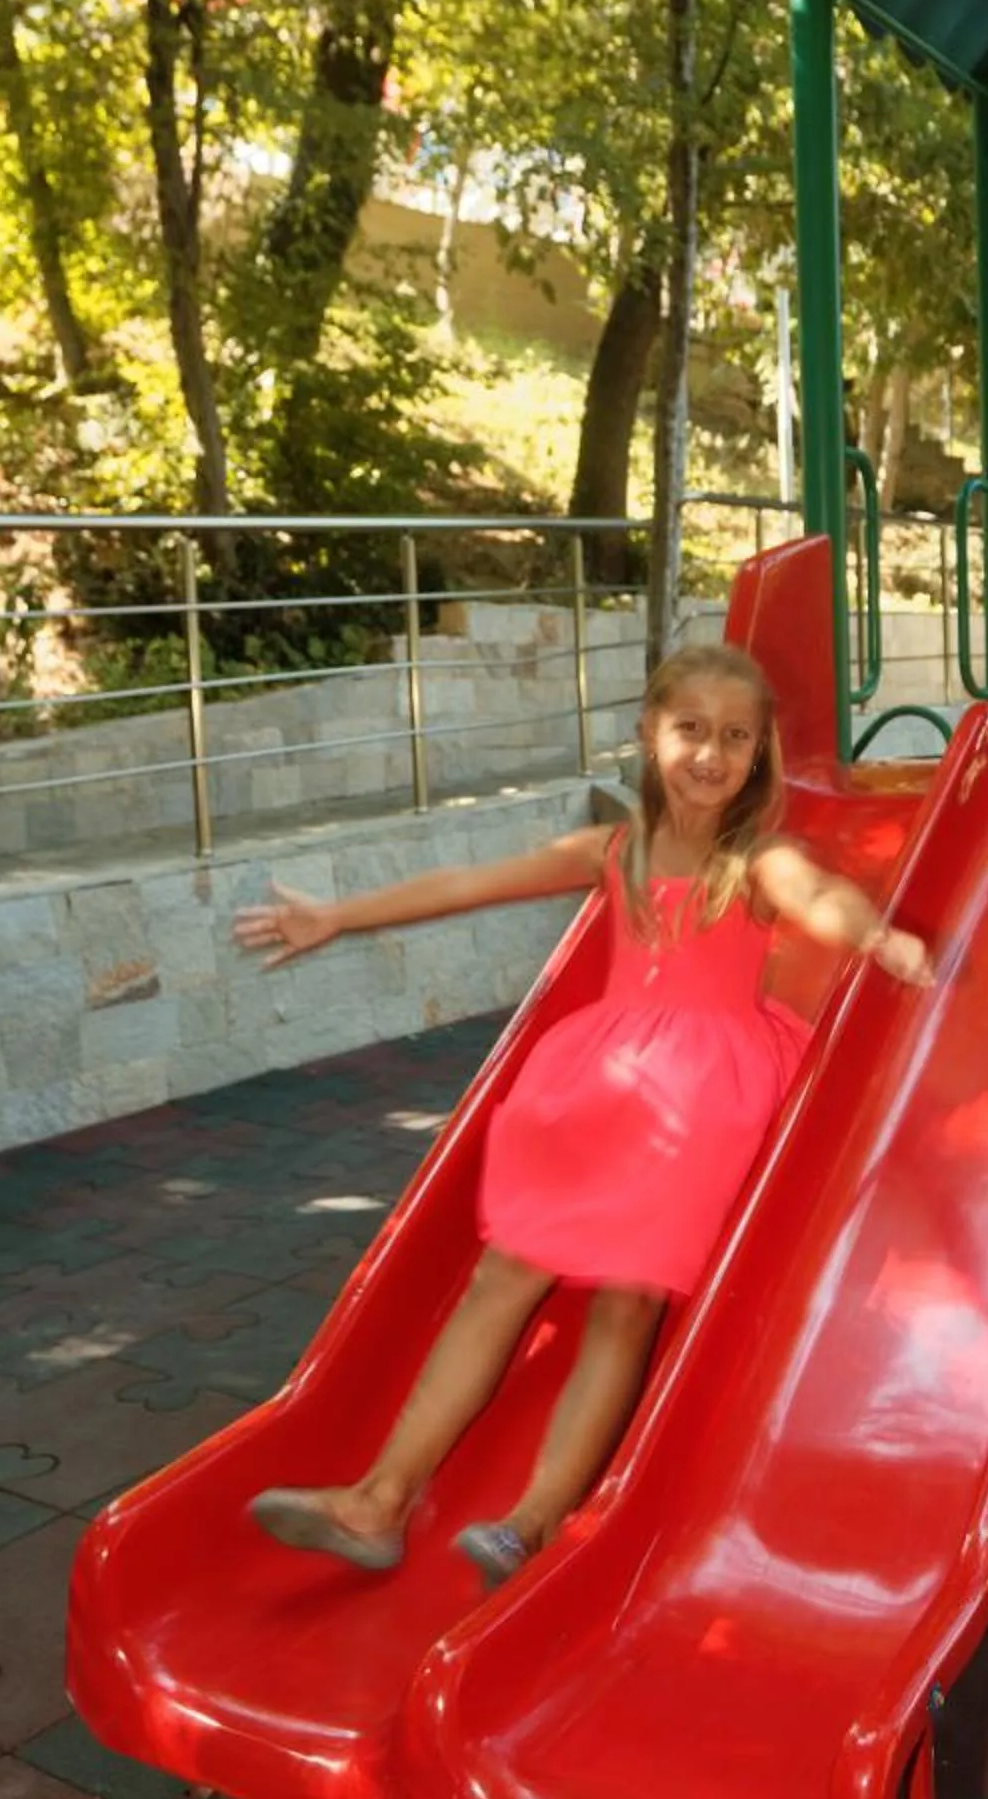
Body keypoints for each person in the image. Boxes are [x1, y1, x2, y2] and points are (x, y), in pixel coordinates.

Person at [231, 642, 933, 1591]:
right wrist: (339, 915)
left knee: (625, 1304)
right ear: (650, 732)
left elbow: (818, 897)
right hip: (600, 1090)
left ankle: (529, 1520)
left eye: (734, 737)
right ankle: (379, 1499)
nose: (709, 754)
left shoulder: (759, 858)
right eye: (690, 730)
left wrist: (877, 934)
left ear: (759, 749)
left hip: (704, 1102)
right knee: (502, 1276)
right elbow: (470, 883)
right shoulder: (615, 852)